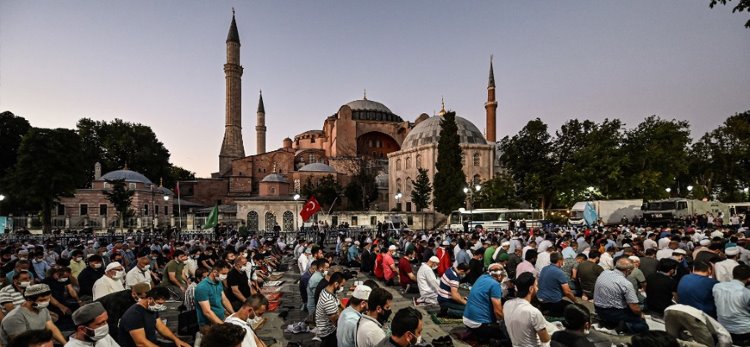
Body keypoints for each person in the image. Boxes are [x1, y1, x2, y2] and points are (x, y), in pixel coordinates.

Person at [118, 286, 190, 347]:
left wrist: (176, 340)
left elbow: (161, 327)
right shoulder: (134, 314)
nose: (161, 305)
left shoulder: (152, 308)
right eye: (159, 303)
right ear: (150, 299)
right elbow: (141, 343)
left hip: (151, 343)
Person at [593, 258, 648, 333]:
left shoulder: (604, 273)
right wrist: (641, 314)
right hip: (615, 313)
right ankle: (623, 326)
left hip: (598, 309)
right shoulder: (626, 283)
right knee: (643, 325)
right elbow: (635, 308)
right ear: (628, 270)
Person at [0, 284, 67, 346]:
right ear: (29, 299)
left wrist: (66, 344)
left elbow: (52, 328)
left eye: (48, 299)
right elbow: (21, 342)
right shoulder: (15, 317)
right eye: (42, 300)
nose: (46, 302)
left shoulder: (43, 309)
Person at [503, 272, 550, 347]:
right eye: (536, 286)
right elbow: (545, 339)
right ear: (531, 289)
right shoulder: (533, 312)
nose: (537, 289)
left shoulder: (507, 304)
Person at [462, 263, 506, 343]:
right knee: (506, 335)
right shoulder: (495, 285)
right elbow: (498, 313)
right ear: (499, 276)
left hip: (466, 319)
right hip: (478, 324)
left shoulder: (482, 277)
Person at [712, 264, 750, 345]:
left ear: (733, 275)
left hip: (723, 329)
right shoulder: (746, 293)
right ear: (748, 278)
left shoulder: (717, 287)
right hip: (744, 332)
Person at [663, 304, 733, 347]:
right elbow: (726, 341)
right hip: (690, 315)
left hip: (670, 309)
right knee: (706, 345)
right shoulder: (723, 332)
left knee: (671, 340)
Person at [195, 260, 235, 335]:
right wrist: (223, 326)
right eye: (223, 273)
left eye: (226, 273)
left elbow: (224, 299)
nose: (225, 276)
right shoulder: (202, 287)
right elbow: (207, 312)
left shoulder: (218, 282)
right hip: (208, 324)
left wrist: (234, 314)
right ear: (215, 272)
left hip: (220, 318)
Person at [537, 252, 577, 317]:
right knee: (572, 309)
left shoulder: (544, 268)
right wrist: (576, 301)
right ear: (559, 261)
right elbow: (567, 292)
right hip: (553, 301)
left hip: (540, 298)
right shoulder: (559, 272)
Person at [316, 272, 346, 347]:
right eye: (342, 285)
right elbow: (336, 322)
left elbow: (338, 301)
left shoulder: (328, 290)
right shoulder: (328, 300)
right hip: (327, 332)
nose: (342, 287)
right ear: (336, 284)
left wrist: (346, 310)